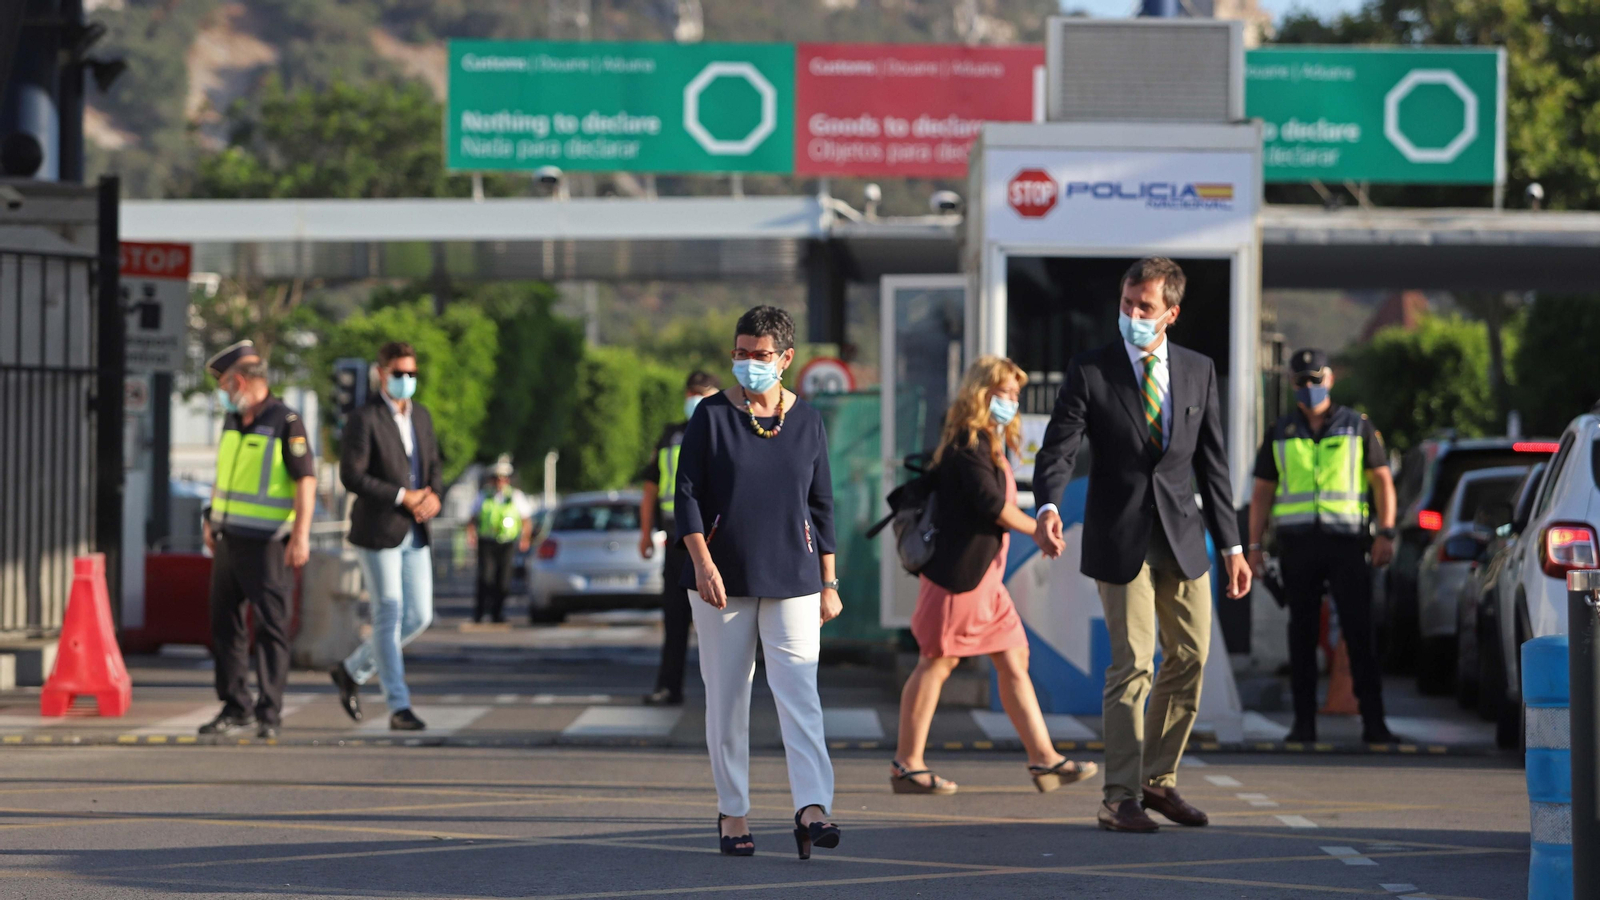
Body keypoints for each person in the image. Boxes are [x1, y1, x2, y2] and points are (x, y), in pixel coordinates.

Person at [1032, 257, 1252, 834]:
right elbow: (1059, 448)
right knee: (1132, 664)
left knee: (1191, 658)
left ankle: (1160, 781)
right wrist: (1049, 505)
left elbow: (1214, 465)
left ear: (1171, 314)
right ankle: (1118, 796)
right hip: (1120, 536)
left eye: (1145, 307)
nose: (1132, 315)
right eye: (1127, 304)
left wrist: (1232, 547)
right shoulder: (1091, 370)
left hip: (1182, 537)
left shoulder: (1198, 370)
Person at [675, 305, 843, 859]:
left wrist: (829, 581)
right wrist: (702, 563)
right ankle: (733, 812)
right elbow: (688, 495)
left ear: (785, 359)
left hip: (794, 574)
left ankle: (812, 808)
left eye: (760, 355)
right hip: (721, 579)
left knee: (800, 691)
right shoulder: (710, 416)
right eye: (740, 353)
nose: (747, 364)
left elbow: (820, 504)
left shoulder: (809, 421)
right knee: (727, 699)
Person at [892, 356, 1098, 796]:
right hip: (958, 579)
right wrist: (1041, 529)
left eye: (1014, 395)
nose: (1010, 402)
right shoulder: (966, 444)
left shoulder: (989, 444)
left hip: (985, 581)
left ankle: (1045, 760)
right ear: (979, 394)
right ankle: (907, 765)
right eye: (1002, 393)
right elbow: (992, 507)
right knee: (936, 662)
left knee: (1013, 659)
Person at [1247, 348, 1400, 744]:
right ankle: (1303, 724)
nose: (1310, 387)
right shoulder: (1280, 430)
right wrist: (1253, 545)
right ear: (1292, 383)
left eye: (1316, 379)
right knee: (1300, 636)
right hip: (1298, 545)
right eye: (1302, 381)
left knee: (1359, 631)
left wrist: (1386, 532)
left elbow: (1382, 480)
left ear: (1330, 378)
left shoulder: (1356, 426)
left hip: (1347, 542)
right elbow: (1262, 491)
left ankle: (1375, 723)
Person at [199, 340, 317, 739]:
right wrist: (209, 520)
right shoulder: (233, 421)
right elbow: (225, 477)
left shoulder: (286, 421)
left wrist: (300, 535)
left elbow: (306, 481)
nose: (222, 393)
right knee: (225, 625)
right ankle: (236, 706)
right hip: (229, 539)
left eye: (225, 385)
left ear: (242, 380)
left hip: (268, 544)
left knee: (271, 628)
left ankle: (269, 712)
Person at [329, 341, 441, 732]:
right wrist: (401, 496)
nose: (406, 381)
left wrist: (433, 497)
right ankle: (399, 706)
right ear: (382, 374)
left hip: (415, 530)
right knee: (389, 613)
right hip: (377, 531)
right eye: (399, 374)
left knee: (419, 616)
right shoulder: (364, 418)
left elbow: (433, 464)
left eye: (412, 374)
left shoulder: (421, 417)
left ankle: (351, 670)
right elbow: (352, 475)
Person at [639, 371, 723, 707]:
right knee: (675, 620)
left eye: (702, 394)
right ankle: (669, 687)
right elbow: (650, 488)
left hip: (714, 542)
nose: (694, 400)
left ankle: (721, 693)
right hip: (677, 541)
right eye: (691, 393)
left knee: (720, 625)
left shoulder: (726, 428)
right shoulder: (671, 435)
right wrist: (645, 534)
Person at [467, 455, 534, 625]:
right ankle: (480, 613)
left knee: (503, 580)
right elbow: (473, 517)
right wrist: (471, 533)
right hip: (487, 541)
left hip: (507, 542)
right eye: (497, 478)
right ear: (492, 480)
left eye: (504, 478)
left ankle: (497, 613)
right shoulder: (484, 495)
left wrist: (525, 538)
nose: (500, 482)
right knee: (485, 578)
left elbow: (526, 520)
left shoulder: (515, 497)